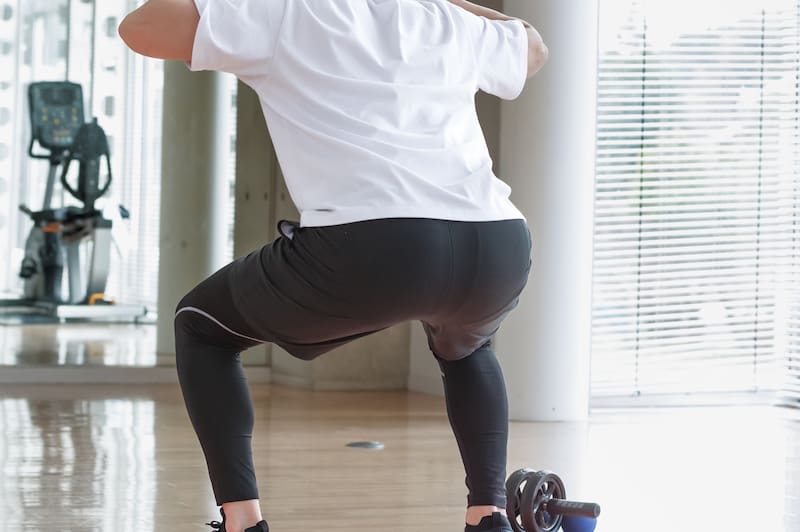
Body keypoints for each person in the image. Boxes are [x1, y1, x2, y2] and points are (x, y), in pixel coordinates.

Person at [119, 1, 547, 531]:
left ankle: (242, 523)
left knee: (200, 325)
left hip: (375, 247)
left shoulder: (286, 12)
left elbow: (140, 28)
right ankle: (489, 515)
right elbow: (532, 47)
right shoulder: (444, 18)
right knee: (467, 347)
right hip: (496, 245)